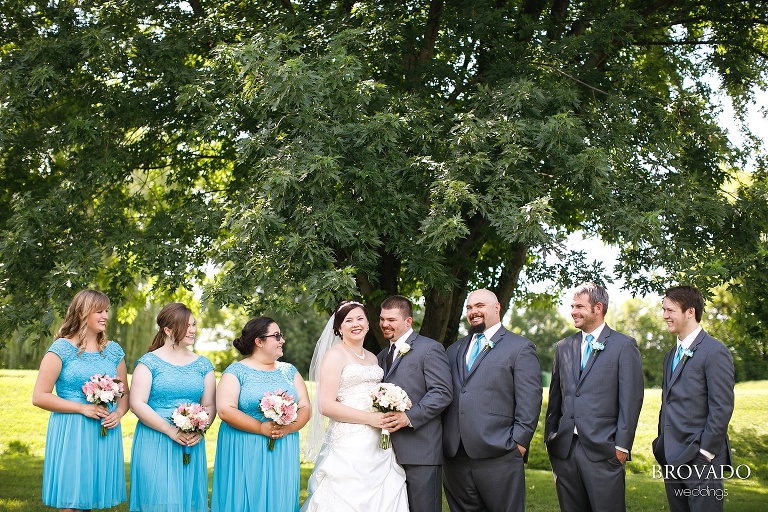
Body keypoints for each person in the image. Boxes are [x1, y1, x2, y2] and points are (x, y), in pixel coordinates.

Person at [301, 300, 410, 512]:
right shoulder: (334, 355)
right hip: (348, 440)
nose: (355, 324)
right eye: (348, 320)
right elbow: (326, 405)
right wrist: (370, 418)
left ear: (368, 324)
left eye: (360, 318)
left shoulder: (372, 358)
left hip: (378, 439)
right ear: (339, 328)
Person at [545, 282, 644, 512]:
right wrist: (551, 438)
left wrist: (622, 447)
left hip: (604, 450)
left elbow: (631, 400)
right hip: (565, 450)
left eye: (579, 306)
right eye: (572, 306)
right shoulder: (563, 347)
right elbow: (555, 399)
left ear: (598, 308)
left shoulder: (623, 346)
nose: (573, 311)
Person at [442, 288, 542, 512]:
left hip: (500, 453)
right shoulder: (454, 349)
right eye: (469, 308)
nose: (473, 311)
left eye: (479, 306)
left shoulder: (520, 347)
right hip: (455, 456)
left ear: (496, 308)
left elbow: (530, 398)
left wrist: (520, 443)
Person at [32, 289, 129, 512]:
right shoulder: (61, 349)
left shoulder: (114, 351)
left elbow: (125, 394)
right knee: (71, 503)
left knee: (88, 499)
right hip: (71, 430)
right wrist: (82, 408)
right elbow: (39, 396)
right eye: (99, 311)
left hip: (103, 431)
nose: (105, 316)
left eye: (106, 311)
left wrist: (118, 413)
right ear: (81, 314)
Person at [211, 316, 311, 512]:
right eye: (276, 336)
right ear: (259, 341)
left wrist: (289, 427)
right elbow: (225, 409)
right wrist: (260, 427)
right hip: (244, 448)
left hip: (283, 447)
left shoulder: (289, 371)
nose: (282, 340)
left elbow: (305, 407)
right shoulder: (236, 371)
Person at [653, 286, 735, 512]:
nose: (665, 316)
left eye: (670, 310)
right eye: (663, 310)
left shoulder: (714, 351)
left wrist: (705, 453)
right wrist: (662, 445)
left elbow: (722, 407)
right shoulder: (670, 355)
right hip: (672, 457)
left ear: (690, 312)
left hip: (701, 459)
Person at [129, 303, 216, 512]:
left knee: (188, 501)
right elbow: (136, 403)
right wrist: (169, 429)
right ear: (168, 330)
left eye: (194, 324)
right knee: (157, 499)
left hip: (190, 442)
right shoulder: (149, 363)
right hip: (155, 439)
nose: (193, 330)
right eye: (186, 325)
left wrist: (200, 429)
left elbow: (210, 404)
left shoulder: (204, 365)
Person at [377, 295, 453, 512]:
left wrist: (408, 417)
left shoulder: (430, 349)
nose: (384, 324)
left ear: (408, 321)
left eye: (391, 319)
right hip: (386, 452)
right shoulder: (382, 355)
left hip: (421, 450)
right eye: (382, 319)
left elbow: (442, 392)